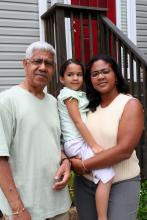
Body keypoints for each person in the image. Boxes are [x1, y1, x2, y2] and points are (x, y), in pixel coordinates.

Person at [0, 41, 71, 220]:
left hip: (58, 204)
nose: (42, 67)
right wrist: (17, 208)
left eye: (48, 63)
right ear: (25, 64)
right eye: (37, 61)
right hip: (26, 208)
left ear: (53, 69)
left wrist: (65, 161)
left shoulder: (54, 102)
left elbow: (54, 142)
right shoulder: (7, 101)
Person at [70, 55, 144, 220]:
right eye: (95, 74)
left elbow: (123, 151)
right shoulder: (86, 106)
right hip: (86, 183)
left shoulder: (129, 104)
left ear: (116, 75)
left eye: (105, 72)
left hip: (121, 182)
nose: (100, 77)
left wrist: (82, 164)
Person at [57, 59, 115, 220]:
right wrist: (94, 145)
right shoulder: (68, 95)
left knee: (98, 172)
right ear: (62, 79)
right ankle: (102, 217)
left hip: (78, 142)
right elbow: (78, 121)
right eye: (70, 75)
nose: (75, 78)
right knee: (108, 175)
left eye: (79, 74)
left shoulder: (77, 94)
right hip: (77, 142)